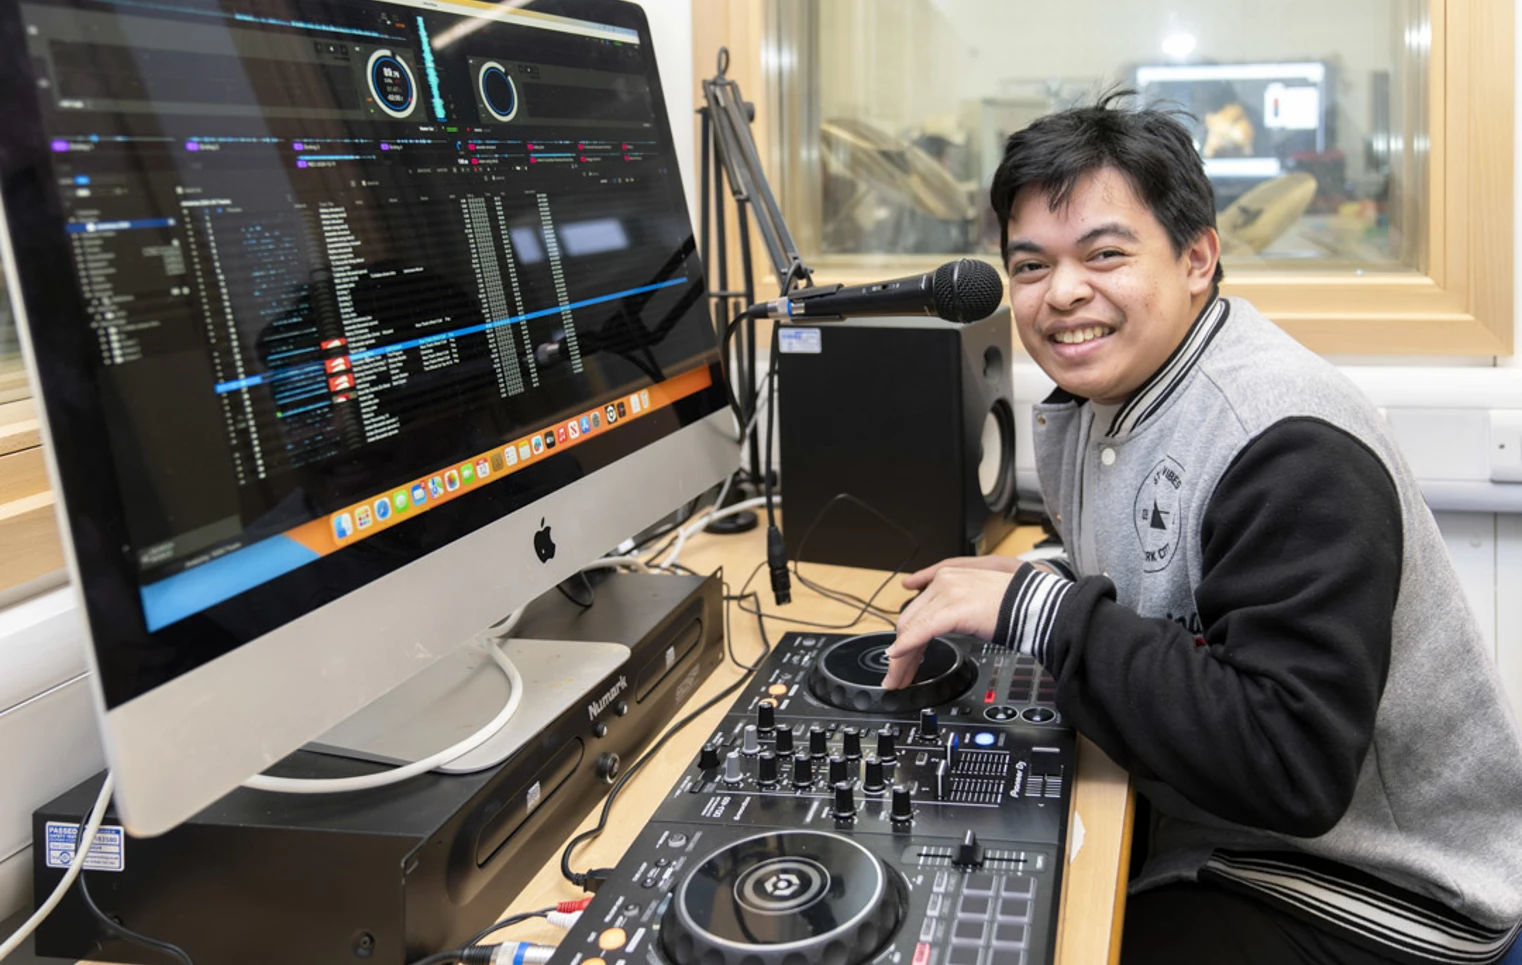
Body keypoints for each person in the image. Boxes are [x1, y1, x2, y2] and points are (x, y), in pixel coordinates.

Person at [882, 92, 1522, 964]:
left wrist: (1048, 613)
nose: (1063, 292)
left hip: (1379, 891)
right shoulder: (1119, 390)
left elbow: (1289, 760)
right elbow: (1166, 563)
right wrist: (1040, 572)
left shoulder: (1287, 443)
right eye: (1030, 267)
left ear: (1197, 259)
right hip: (1228, 837)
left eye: (1104, 254)